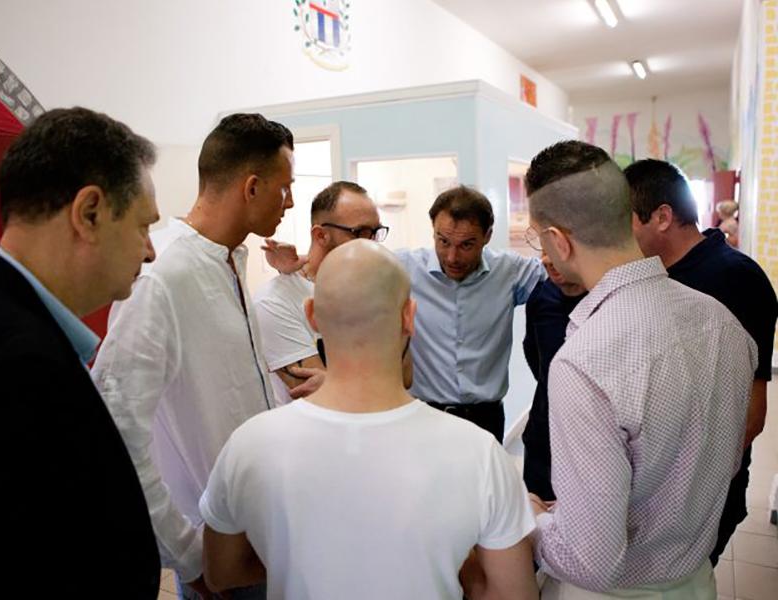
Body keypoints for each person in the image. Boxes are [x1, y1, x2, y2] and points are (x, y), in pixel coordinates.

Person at [200, 240, 539, 600]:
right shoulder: (480, 453)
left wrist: (297, 558)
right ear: (409, 316)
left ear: (311, 314)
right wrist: (457, 562)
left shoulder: (250, 444)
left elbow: (221, 572)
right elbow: (514, 595)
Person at [525, 141, 757, 598]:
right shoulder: (721, 322)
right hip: (696, 581)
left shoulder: (585, 359)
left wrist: (533, 520)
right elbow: (724, 459)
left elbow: (590, 560)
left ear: (558, 241)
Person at [92, 113, 295, 600]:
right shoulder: (162, 276)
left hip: (261, 529)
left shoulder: (229, 259)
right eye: (284, 188)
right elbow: (117, 434)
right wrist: (187, 555)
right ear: (251, 187)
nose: (289, 202)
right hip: (216, 549)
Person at [0, 107, 161, 597]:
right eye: (143, 226)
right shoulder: (18, 364)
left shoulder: (16, 328)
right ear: (90, 213)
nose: (150, 252)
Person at [266, 185, 544, 442]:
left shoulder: (510, 272)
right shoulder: (404, 267)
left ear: (487, 236)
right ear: (433, 231)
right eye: (443, 241)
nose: (452, 257)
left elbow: (560, 270)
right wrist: (301, 264)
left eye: (467, 245)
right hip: (423, 417)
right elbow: (350, 266)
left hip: (486, 419)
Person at [624, 158, 778, 565]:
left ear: (662, 217)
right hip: (653, 484)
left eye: (626, 221)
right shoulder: (651, 276)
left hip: (702, 490)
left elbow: (752, 412)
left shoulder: (735, 279)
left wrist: (690, 485)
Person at [254, 180, 407, 404]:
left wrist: (334, 383)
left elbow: (403, 379)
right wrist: (368, 385)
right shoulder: (274, 301)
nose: (372, 244)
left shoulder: (371, 289)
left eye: (375, 233)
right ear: (321, 235)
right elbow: (316, 396)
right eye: (360, 232)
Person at [519, 247, 586, 501]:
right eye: (543, 250)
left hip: (587, 442)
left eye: (555, 249)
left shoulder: (609, 299)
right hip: (542, 440)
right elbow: (535, 356)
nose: (546, 260)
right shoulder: (542, 297)